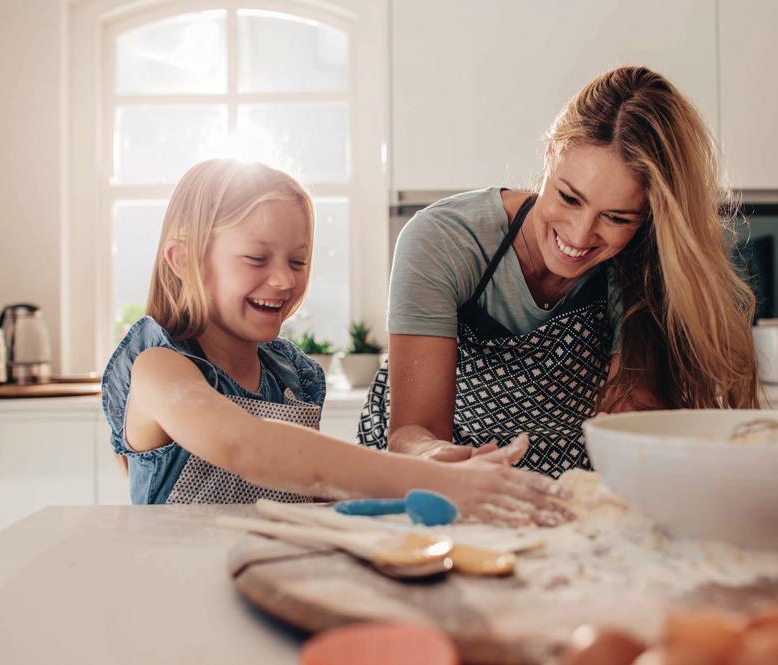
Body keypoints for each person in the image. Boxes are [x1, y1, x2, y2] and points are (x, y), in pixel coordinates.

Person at [101, 159, 570, 526]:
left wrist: (435, 475)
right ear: (183, 260)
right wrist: (435, 480)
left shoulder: (292, 378)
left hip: (268, 586)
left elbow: (313, 487)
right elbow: (246, 446)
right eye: (256, 257)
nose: (283, 279)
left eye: (299, 261)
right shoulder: (157, 367)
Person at [358, 66, 760, 478]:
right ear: (550, 154)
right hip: (419, 478)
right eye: (569, 198)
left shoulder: (644, 266)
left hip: (565, 481)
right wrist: (440, 460)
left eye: (617, 218)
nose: (580, 235)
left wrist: (631, 437)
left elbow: (629, 412)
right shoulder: (445, 240)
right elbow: (413, 430)